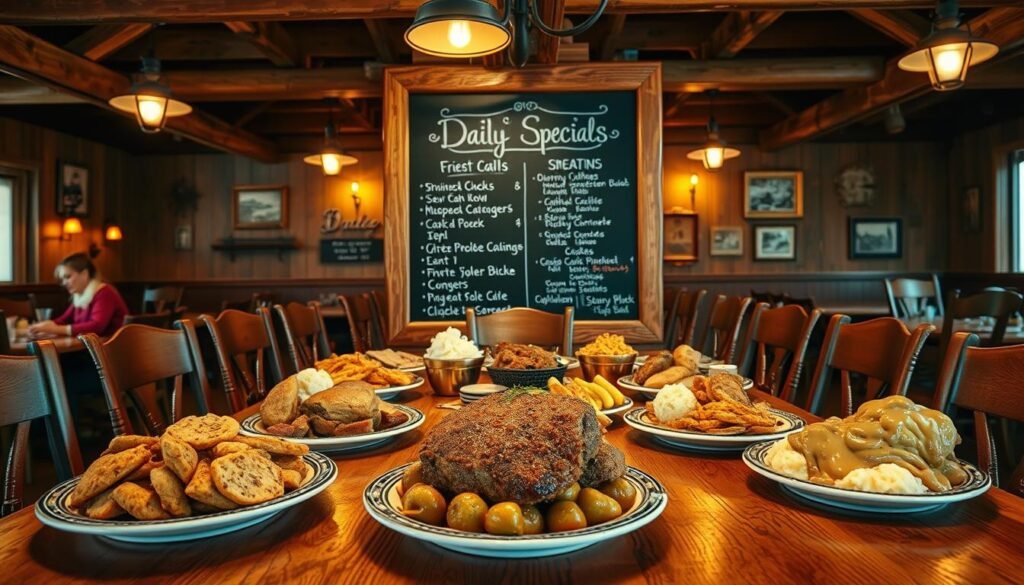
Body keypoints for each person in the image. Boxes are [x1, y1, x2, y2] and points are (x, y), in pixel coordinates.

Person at [28, 252, 129, 337]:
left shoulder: (104, 292)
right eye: (62, 279)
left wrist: (54, 329)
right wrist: (42, 326)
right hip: (94, 350)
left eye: (67, 277)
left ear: (85, 274)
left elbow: (96, 327)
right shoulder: (80, 295)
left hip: (111, 353)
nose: (64, 283)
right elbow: (63, 320)